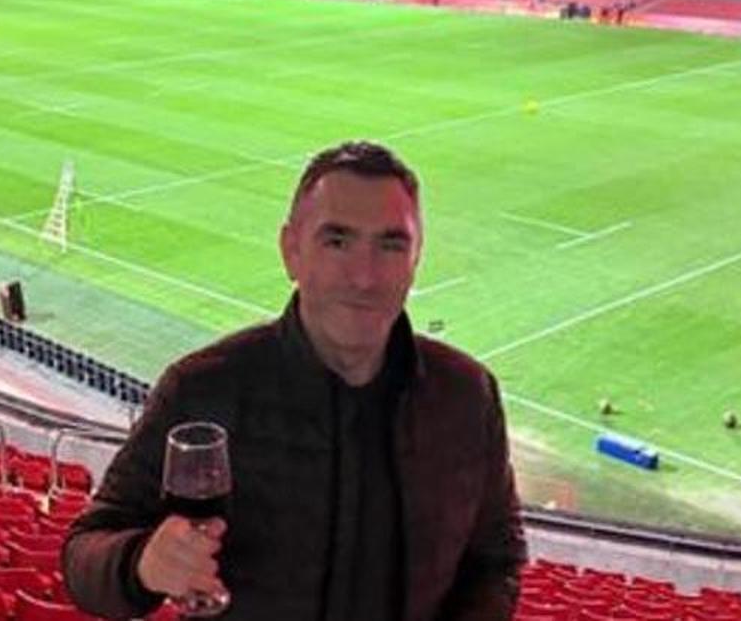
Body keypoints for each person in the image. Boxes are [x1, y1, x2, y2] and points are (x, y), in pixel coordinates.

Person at [62, 141, 526, 620]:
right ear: (291, 251)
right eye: (337, 241)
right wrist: (141, 563)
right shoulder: (203, 389)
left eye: (391, 244)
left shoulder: (468, 395)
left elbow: (496, 561)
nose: (364, 277)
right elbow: (84, 555)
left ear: (416, 260)